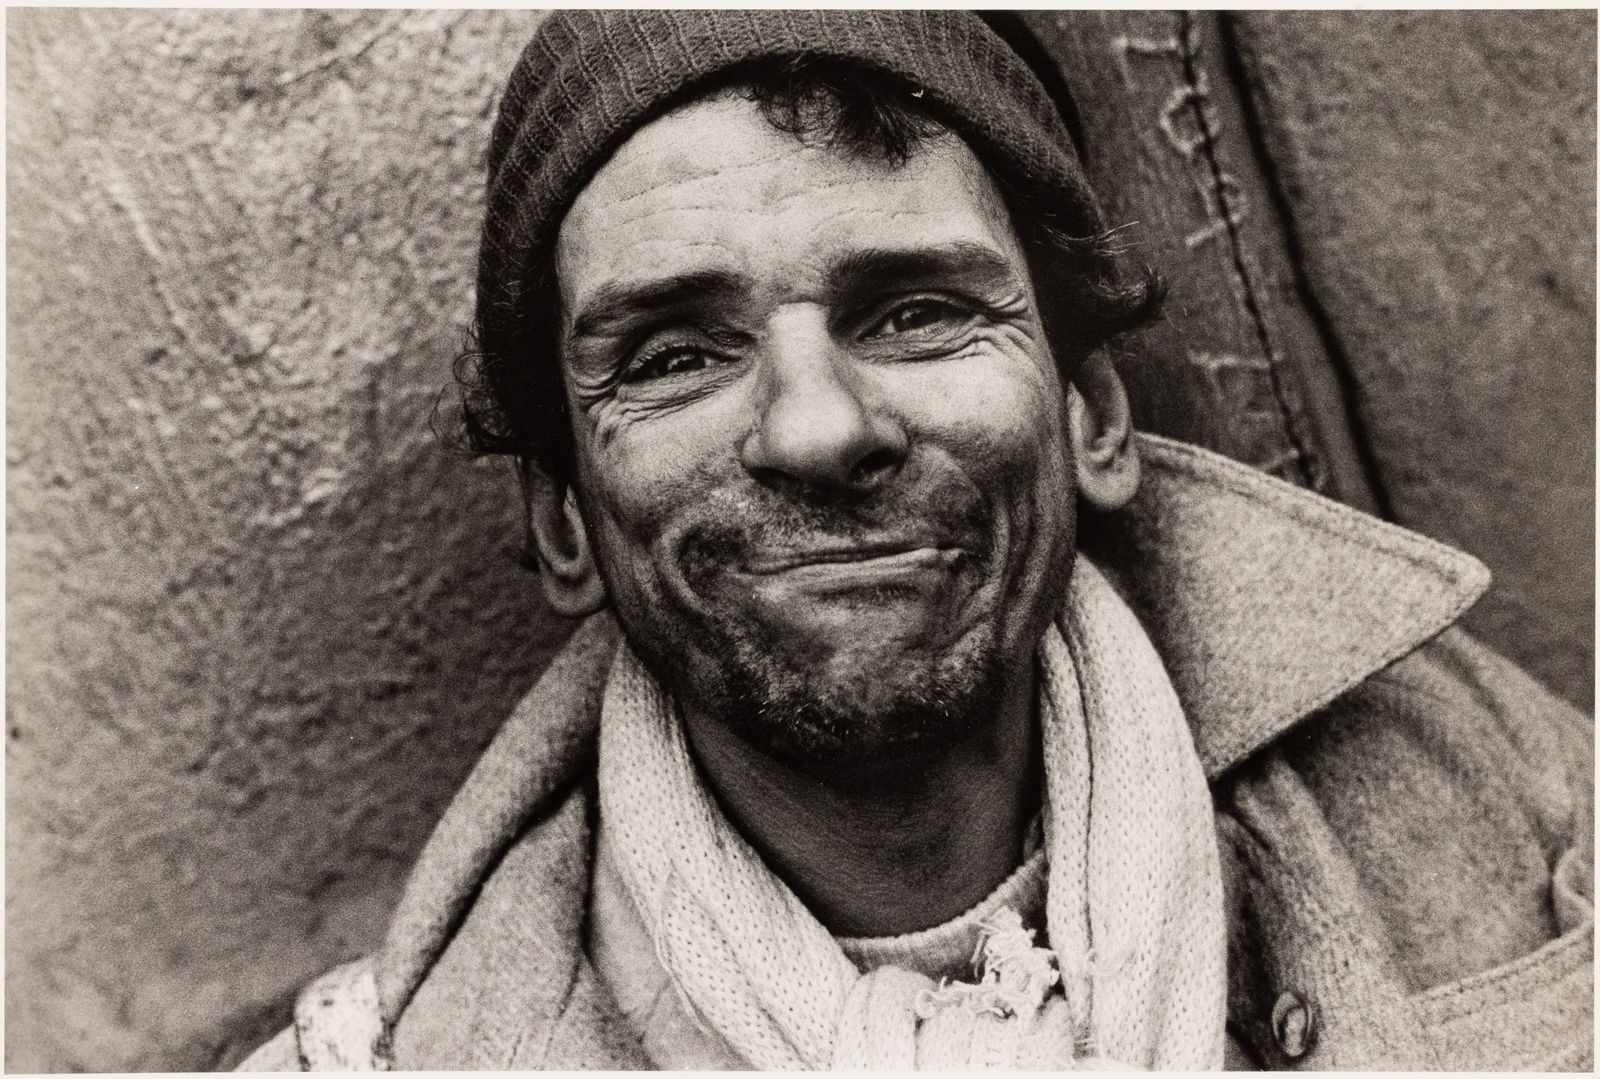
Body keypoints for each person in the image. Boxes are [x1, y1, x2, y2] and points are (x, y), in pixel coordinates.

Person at [240, 10, 1592, 1071]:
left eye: (916, 312)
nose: (819, 428)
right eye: (675, 354)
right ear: (565, 525)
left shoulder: (1514, 810)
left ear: (1090, 425)